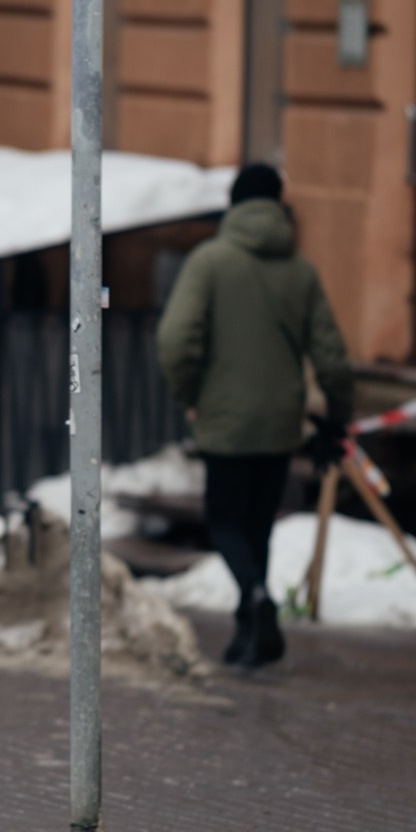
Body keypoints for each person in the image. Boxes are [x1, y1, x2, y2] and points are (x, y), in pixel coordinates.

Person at [157, 163, 354, 670]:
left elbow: (176, 339)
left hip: (224, 417)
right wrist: (338, 418)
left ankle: (256, 596)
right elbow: (332, 357)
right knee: (259, 525)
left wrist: (189, 392)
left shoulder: (210, 262)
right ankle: (251, 634)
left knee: (224, 521)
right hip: (281, 419)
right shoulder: (301, 271)